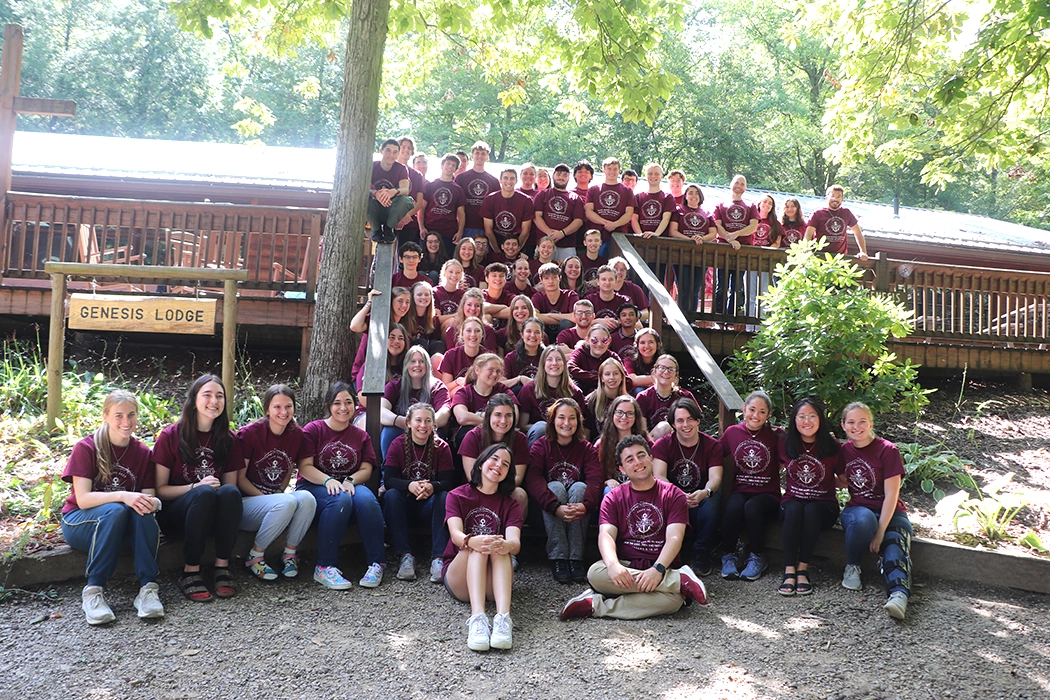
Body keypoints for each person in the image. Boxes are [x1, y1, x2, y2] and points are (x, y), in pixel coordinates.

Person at [559, 435, 708, 620]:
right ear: (621, 469)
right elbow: (606, 535)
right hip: (625, 564)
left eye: (641, 455)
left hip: (662, 565)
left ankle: (596, 605)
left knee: (673, 602)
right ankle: (678, 582)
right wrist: (613, 565)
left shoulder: (673, 494)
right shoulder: (613, 497)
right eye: (630, 459)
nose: (638, 462)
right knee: (595, 574)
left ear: (651, 458)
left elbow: (675, 538)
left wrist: (658, 569)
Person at [61, 390, 163, 623]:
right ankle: (93, 592)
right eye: (118, 415)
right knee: (117, 508)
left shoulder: (143, 452)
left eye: (131, 415)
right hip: (80, 522)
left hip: (121, 526)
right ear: (105, 416)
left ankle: (148, 589)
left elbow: (148, 497)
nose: (126, 422)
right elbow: (83, 499)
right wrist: (124, 496)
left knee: (141, 510)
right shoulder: (86, 448)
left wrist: (153, 503)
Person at [153, 374, 244, 601]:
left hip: (211, 516)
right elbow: (159, 490)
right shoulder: (171, 436)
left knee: (231, 492)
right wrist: (194, 486)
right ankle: (190, 571)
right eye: (207, 395)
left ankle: (221, 565)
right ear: (194, 400)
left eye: (220, 396)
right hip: (176, 517)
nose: (214, 401)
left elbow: (229, 489)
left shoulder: (228, 439)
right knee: (203, 492)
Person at [297, 382, 386, 590]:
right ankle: (324, 566)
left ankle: (376, 563)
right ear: (329, 405)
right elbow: (304, 467)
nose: (343, 408)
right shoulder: (314, 429)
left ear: (355, 405)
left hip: (348, 485)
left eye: (348, 402)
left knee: (367, 500)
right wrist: (328, 480)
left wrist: (350, 480)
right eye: (337, 403)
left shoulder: (360, 435)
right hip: (314, 488)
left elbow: (366, 468)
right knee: (340, 498)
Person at [443, 443, 523, 651]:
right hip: (459, 578)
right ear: (481, 463)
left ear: (508, 473)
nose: (498, 466)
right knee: (479, 545)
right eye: (494, 459)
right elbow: (455, 535)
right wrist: (472, 541)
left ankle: (503, 619)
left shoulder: (511, 504)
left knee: (499, 546)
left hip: (492, 583)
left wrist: (504, 545)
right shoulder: (457, 495)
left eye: (505, 464)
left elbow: (515, 544)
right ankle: (477, 619)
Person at [839, 402, 913, 620]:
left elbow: (892, 494)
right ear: (843, 425)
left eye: (862, 421)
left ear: (871, 423)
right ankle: (852, 567)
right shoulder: (844, 451)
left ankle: (899, 596)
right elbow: (842, 481)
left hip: (891, 513)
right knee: (863, 519)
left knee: (894, 548)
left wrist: (881, 532)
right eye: (851, 422)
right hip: (858, 511)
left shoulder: (888, 450)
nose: (857, 426)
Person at [237, 385, 316, 581]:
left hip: (276, 502)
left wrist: (279, 493)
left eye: (288, 406)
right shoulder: (250, 434)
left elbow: (289, 465)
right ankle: (255, 556)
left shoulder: (296, 434)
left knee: (307, 498)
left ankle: (289, 554)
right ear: (267, 409)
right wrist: (270, 499)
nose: (283, 412)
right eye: (277, 407)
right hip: (247, 504)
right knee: (285, 502)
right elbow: (240, 479)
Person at [525, 398, 603, 583]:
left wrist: (587, 505)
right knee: (555, 487)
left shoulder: (586, 448)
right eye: (561, 417)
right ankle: (559, 557)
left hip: (578, 506)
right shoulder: (541, 445)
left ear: (578, 422)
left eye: (572, 418)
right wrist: (554, 506)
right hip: (547, 509)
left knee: (580, 487)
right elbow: (533, 479)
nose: (566, 423)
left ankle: (576, 558)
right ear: (552, 420)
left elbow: (595, 479)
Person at [777, 397, 843, 596]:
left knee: (812, 509)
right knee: (796, 508)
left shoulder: (832, 445)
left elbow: (844, 479)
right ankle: (789, 570)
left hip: (824, 507)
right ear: (794, 420)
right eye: (802, 416)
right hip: (793, 503)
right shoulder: (785, 442)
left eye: (812, 416)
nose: (807, 421)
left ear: (820, 419)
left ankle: (803, 568)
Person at [651, 398, 725, 575]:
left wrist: (704, 493)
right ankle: (671, 552)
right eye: (680, 420)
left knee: (714, 500)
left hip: (700, 498)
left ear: (698, 420)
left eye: (690, 419)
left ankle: (702, 552)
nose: (686, 424)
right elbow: (659, 475)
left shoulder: (712, 445)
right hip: (673, 498)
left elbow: (716, 477)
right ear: (673, 424)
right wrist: (678, 494)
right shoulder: (663, 445)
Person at [383, 403, 455, 583]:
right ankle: (405, 555)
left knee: (445, 497)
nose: (423, 426)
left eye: (428, 421)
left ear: (434, 425)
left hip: (429, 508)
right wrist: (409, 485)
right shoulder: (397, 444)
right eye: (418, 420)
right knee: (391, 495)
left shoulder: (442, 447)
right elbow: (389, 479)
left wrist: (433, 486)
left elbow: (449, 481)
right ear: (408, 423)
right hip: (404, 506)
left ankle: (438, 557)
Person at [718, 391, 782, 581]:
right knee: (733, 504)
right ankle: (728, 555)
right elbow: (713, 452)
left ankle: (757, 556)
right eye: (752, 409)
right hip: (741, 489)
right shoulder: (733, 433)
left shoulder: (776, 435)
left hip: (767, 495)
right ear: (744, 410)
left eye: (762, 412)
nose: (756, 415)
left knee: (752, 507)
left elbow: (797, 448)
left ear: (769, 415)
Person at [460, 393, 531, 517]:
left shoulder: (520, 439)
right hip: (478, 489)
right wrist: (490, 487)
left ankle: (511, 535)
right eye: (498, 415)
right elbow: (472, 477)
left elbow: (518, 478)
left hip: (505, 488)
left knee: (520, 494)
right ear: (489, 416)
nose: (503, 421)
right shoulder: (472, 437)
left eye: (508, 415)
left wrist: (498, 486)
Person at [381, 345, 452, 455]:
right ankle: (388, 470)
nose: (417, 365)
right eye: (412, 361)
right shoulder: (394, 386)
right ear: (406, 365)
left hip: (427, 430)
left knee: (439, 432)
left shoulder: (438, 387)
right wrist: (401, 421)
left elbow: (444, 413)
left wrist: (423, 425)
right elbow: (381, 411)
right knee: (389, 431)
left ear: (427, 365)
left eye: (421, 361)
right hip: (402, 428)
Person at [350, 286, 411, 400]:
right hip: (366, 374)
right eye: (400, 301)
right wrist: (369, 303)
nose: (404, 306)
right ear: (391, 301)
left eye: (407, 302)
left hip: (390, 373)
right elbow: (354, 326)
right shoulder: (378, 319)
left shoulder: (404, 325)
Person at [518, 345, 586, 445]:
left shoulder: (575, 393)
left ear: (564, 364)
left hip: (565, 437)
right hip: (539, 438)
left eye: (558, 359)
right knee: (541, 427)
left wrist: (561, 429)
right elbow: (522, 425)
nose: (554, 363)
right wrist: (553, 428)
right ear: (543, 364)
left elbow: (580, 427)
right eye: (549, 359)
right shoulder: (529, 389)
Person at [713, 174, 758, 317]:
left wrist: (736, 234)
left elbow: (753, 227)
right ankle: (719, 318)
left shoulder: (750, 206)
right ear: (731, 184)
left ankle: (731, 318)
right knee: (721, 287)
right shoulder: (721, 205)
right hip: (723, 250)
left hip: (742, 251)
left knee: (737, 288)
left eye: (742, 184)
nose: (739, 186)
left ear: (745, 188)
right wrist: (730, 239)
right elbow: (717, 225)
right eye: (737, 182)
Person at [450, 353, 516, 447]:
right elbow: (462, 417)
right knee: (467, 431)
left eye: (498, 371)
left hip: (499, 438)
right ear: (477, 370)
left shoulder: (503, 390)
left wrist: (487, 419)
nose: (495, 374)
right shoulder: (464, 392)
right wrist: (492, 421)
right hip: (471, 442)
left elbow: (515, 414)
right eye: (491, 370)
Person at [669, 184, 716, 312]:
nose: (693, 195)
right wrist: (689, 240)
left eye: (696, 193)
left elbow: (713, 233)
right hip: (681, 254)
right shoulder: (678, 210)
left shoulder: (707, 213)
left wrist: (702, 239)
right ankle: (683, 317)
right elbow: (673, 231)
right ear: (686, 196)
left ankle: (692, 317)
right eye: (690, 192)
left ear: (700, 196)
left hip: (701, 256)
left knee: (695, 288)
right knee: (684, 287)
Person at [594, 394, 650, 494]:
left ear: (636, 417)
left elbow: (654, 467)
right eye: (619, 412)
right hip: (614, 490)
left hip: (641, 487)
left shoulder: (645, 441)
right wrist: (607, 481)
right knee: (608, 491)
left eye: (629, 413)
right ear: (612, 414)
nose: (624, 417)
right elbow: (594, 473)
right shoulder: (602, 444)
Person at [635, 354, 696, 439]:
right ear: (655, 371)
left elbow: (695, 427)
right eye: (662, 368)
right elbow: (642, 432)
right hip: (652, 445)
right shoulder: (643, 397)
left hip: (679, 442)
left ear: (676, 374)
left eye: (671, 369)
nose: (666, 372)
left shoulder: (686, 396)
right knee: (664, 427)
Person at [533, 163, 585, 261]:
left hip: (567, 245)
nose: (561, 177)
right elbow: (536, 216)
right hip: (544, 244)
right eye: (559, 174)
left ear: (569, 178)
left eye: (565, 175)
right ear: (553, 175)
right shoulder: (542, 195)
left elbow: (579, 221)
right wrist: (549, 233)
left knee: (568, 272)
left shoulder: (576, 198)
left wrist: (562, 233)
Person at [586, 157, 636, 256]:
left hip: (618, 235)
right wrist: (605, 223)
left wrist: (615, 224)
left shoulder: (627, 191)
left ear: (619, 171)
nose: (612, 171)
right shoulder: (594, 189)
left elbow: (629, 213)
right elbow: (588, 211)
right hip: (597, 235)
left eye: (615, 169)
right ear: (603, 170)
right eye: (609, 168)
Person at [368, 138, 413, 243]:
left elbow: (405, 189)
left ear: (398, 154)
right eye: (388, 150)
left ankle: (389, 228)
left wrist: (394, 191)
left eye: (395, 152)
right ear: (381, 151)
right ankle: (376, 230)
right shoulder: (372, 166)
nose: (391, 155)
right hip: (375, 207)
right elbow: (361, 188)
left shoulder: (401, 168)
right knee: (366, 200)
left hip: (391, 207)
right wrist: (375, 194)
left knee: (406, 200)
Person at [805, 185, 869, 259]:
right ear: (826, 198)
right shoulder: (818, 214)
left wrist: (863, 252)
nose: (835, 199)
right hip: (820, 257)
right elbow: (808, 234)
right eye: (832, 196)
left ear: (842, 199)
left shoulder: (846, 213)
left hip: (840, 258)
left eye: (838, 197)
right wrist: (807, 250)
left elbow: (858, 232)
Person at [421, 153, 467, 256]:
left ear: (456, 169)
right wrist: (421, 227)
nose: (450, 167)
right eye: (448, 163)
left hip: (448, 232)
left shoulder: (458, 189)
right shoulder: (430, 185)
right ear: (442, 165)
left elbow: (461, 214)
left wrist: (460, 232)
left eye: (453, 165)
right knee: (426, 260)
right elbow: (422, 208)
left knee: (446, 261)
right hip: (430, 229)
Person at [455, 141, 500, 240]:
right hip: (465, 225)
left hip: (485, 227)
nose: (480, 156)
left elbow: (497, 206)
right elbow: (456, 203)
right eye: (477, 153)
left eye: (483, 153)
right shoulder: (461, 178)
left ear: (487, 157)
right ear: (472, 156)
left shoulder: (494, 181)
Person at [482, 168, 535, 253]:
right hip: (495, 244)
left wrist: (515, 251)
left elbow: (526, 230)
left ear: (516, 181)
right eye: (505, 178)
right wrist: (498, 252)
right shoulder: (489, 199)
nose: (509, 181)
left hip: (517, 246)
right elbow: (488, 230)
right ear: (500, 180)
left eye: (512, 178)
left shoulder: (526, 201)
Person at [439, 317, 494, 393]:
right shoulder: (450, 355)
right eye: (468, 330)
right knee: (458, 390)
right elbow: (445, 388)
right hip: (458, 396)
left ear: (482, 335)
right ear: (462, 334)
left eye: (477, 331)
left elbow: (496, 383)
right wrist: (457, 382)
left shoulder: (489, 357)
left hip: (483, 394)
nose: (473, 334)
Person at [351, 322, 407, 397]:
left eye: (400, 338)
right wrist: (384, 407)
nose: (396, 341)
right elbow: (362, 396)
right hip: (373, 408)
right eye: (392, 337)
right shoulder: (371, 365)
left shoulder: (408, 367)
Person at [567, 324, 622, 395]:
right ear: (587, 340)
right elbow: (570, 368)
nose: (599, 344)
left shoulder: (612, 356)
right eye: (594, 340)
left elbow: (626, 379)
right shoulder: (580, 352)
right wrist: (599, 379)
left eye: (604, 340)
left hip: (606, 394)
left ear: (609, 340)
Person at [531, 261, 579, 342]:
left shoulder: (571, 295)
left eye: (554, 277)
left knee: (566, 323)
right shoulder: (537, 297)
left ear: (560, 278)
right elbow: (535, 316)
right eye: (546, 278)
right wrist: (562, 317)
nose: (551, 281)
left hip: (565, 336)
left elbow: (575, 317)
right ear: (541, 280)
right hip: (543, 336)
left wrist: (549, 315)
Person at [584, 356, 629, 437]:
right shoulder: (591, 400)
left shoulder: (629, 402)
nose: (612, 377)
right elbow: (586, 433)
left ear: (622, 377)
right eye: (607, 374)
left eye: (615, 373)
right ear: (602, 378)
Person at [394, 136, 426, 249]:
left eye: (409, 148)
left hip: (409, 223)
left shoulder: (417, 175)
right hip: (388, 222)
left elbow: (419, 202)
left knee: (405, 256)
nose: (406, 150)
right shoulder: (389, 169)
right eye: (403, 147)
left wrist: (406, 216)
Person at [631, 163, 675, 238]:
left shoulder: (668, 197)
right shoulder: (638, 197)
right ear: (646, 176)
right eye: (650, 173)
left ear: (662, 176)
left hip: (660, 241)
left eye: (657, 174)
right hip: (641, 240)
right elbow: (634, 218)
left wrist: (656, 234)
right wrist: (640, 235)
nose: (653, 176)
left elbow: (666, 218)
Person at [502, 317, 545, 389]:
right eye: (529, 331)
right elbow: (501, 383)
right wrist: (520, 379)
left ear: (542, 336)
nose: (533, 335)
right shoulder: (511, 357)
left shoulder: (547, 357)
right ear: (522, 335)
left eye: (537, 332)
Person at [404, 281, 444, 356]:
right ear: (412, 297)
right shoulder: (405, 314)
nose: (423, 297)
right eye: (419, 294)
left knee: (439, 344)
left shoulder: (433, 318)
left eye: (426, 294)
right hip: (408, 351)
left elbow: (434, 339)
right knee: (421, 342)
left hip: (425, 351)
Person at [622, 328, 662, 394]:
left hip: (659, 393)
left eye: (651, 342)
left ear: (657, 345)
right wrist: (658, 378)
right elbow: (632, 380)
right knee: (639, 390)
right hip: (635, 396)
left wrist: (641, 381)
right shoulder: (630, 360)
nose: (647, 346)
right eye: (642, 343)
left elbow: (672, 380)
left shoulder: (663, 360)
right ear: (637, 345)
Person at [609, 256, 650, 321]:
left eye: (622, 270)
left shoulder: (635, 289)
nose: (619, 272)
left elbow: (646, 313)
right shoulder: (603, 289)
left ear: (626, 272)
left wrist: (634, 315)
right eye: (615, 269)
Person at [434, 259, 467, 329]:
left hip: (459, 328)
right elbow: (438, 319)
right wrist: (457, 315)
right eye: (451, 272)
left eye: (457, 272)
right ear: (444, 273)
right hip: (440, 330)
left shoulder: (463, 294)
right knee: (452, 321)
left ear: (461, 275)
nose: (454, 275)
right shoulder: (435, 292)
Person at [480, 262, 514, 330]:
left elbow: (516, 311)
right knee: (487, 317)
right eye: (494, 275)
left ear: (505, 279)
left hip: (505, 336)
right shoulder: (480, 295)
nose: (498, 279)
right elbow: (478, 308)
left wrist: (491, 312)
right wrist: (503, 307)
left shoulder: (510, 296)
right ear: (486, 278)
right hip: (484, 336)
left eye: (501, 276)